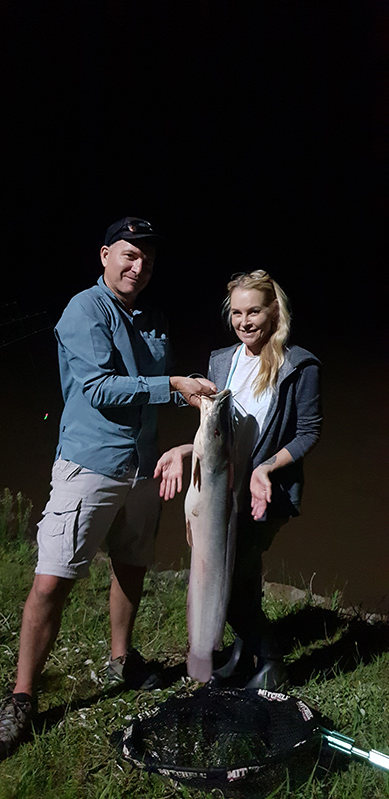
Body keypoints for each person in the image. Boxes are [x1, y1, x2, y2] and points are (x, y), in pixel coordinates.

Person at [0, 216, 216, 759]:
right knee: (52, 581)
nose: (137, 267)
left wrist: (198, 394)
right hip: (90, 464)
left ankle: (123, 656)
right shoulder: (84, 310)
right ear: (104, 256)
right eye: (127, 255)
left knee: (131, 563)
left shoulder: (152, 317)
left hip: (143, 466)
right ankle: (22, 696)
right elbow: (99, 389)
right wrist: (173, 386)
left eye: (146, 259)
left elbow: (157, 384)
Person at [154, 269, 322, 690]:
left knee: (229, 582)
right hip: (219, 490)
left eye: (254, 312)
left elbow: (309, 433)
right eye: (237, 312)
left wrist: (266, 468)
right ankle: (240, 655)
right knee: (236, 578)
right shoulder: (221, 361)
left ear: (274, 312)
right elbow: (217, 437)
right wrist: (183, 449)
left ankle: (271, 663)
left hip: (263, 492)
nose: (244, 321)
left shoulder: (299, 366)